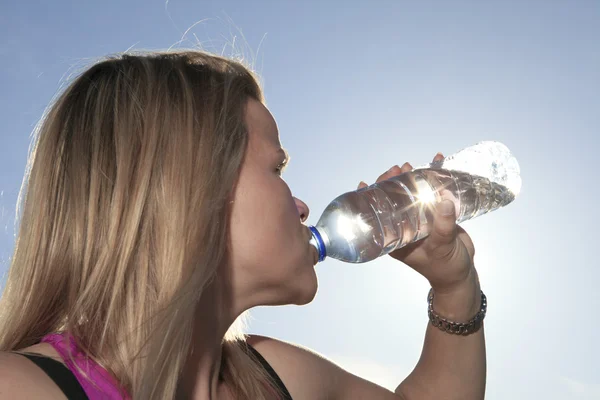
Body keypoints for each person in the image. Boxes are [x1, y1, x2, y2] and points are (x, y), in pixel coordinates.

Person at [0, 50, 486, 399]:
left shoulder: (272, 375)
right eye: (276, 169)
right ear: (190, 188)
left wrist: (455, 286)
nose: (302, 205)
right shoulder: (21, 387)